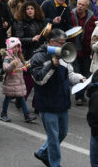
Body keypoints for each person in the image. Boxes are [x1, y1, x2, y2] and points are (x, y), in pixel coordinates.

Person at [30, 29, 86, 167]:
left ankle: (43, 152)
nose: (63, 46)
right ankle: (55, 164)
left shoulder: (64, 56)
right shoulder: (38, 57)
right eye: (61, 43)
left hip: (62, 102)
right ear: (51, 42)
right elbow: (39, 80)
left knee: (62, 133)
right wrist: (52, 65)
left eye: (64, 43)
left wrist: (81, 79)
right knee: (54, 138)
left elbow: (70, 75)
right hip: (47, 104)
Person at [0, 37, 37, 123]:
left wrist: (30, 62)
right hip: (10, 82)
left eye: (17, 47)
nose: (16, 49)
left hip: (19, 82)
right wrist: (13, 63)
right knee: (7, 98)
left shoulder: (18, 56)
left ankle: (26, 115)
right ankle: (3, 114)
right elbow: (5, 68)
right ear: (10, 47)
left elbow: (24, 64)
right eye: (14, 47)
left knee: (21, 97)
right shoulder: (7, 57)